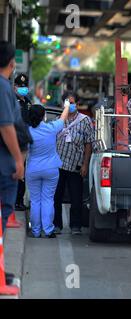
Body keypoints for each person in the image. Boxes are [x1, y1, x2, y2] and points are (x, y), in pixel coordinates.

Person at [0, 41, 25, 285]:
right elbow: (6, 126)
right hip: (4, 166)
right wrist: (19, 160)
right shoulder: (3, 86)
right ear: (11, 62)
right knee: (2, 217)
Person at [54, 92, 95, 235]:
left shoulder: (85, 120)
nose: (70, 106)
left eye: (72, 103)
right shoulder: (59, 119)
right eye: (67, 103)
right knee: (56, 196)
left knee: (76, 197)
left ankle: (75, 226)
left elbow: (89, 144)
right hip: (58, 165)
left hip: (75, 164)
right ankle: (56, 224)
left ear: (77, 104)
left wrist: (85, 164)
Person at [26, 103, 69, 238]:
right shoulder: (51, 128)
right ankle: (49, 230)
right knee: (48, 199)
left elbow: (24, 151)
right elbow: (62, 119)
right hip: (51, 169)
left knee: (35, 200)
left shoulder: (27, 131)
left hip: (33, 169)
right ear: (43, 116)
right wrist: (67, 106)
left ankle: (36, 231)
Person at [14, 73, 32, 211]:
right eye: (20, 86)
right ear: (15, 87)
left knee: (22, 173)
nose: (22, 88)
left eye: (24, 86)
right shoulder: (11, 101)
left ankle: (19, 201)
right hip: (12, 143)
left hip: (23, 144)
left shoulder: (28, 102)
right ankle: (11, 201)